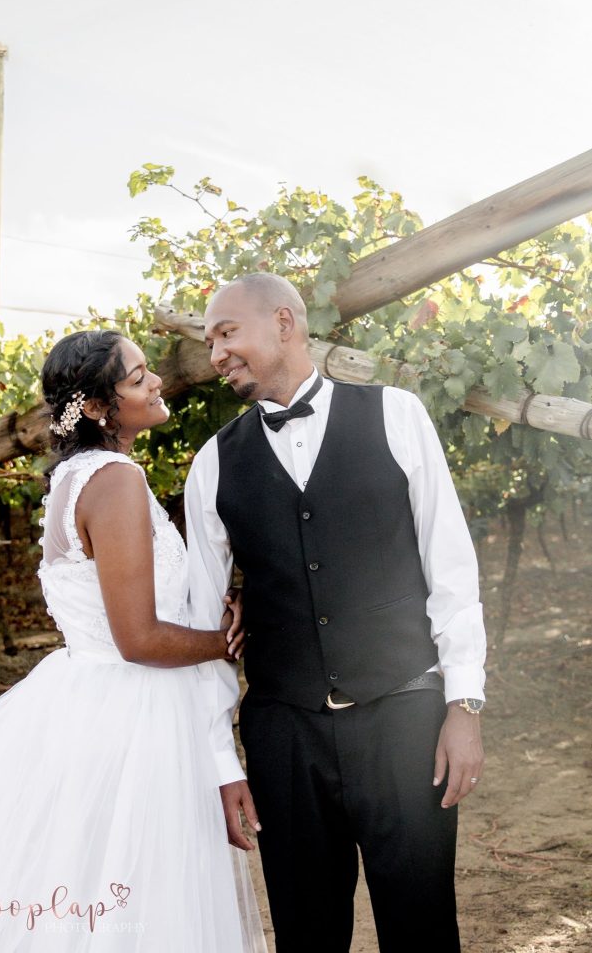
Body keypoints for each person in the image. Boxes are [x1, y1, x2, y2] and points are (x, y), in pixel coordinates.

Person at [0, 329, 267, 952]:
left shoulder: (75, 478)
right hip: (135, 719)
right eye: (138, 378)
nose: (156, 382)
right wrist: (231, 640)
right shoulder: (115, 480)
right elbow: (138, 637)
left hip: (86, 707)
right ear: (100, 406)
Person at [184, 273, 486, 953]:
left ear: (284, 322)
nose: (216, 354)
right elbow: (206, 627)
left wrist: (464, 705)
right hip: (284, 734)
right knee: (306, 933)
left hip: (404, 716)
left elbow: (450, 567)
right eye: (209, 342)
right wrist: (221, 761)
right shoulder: (212, 464)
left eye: (227, 333)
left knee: (422, 927)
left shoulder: (397, 414)